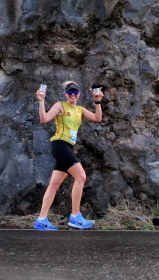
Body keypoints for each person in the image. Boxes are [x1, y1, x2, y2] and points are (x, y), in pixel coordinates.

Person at [34, 80, 103, 230]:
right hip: (60, 144)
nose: (73, 94)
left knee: (54, 184)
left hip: (68, 147)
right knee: (81, 177)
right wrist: (41, 101)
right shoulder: (60, 106)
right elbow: (44, 119)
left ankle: (41, 220)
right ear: (65, 94)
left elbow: (97, 118)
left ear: (79, 94)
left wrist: (97, 102)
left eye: (75, 92)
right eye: (70, 92)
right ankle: (75, 217)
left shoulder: (80, 110)